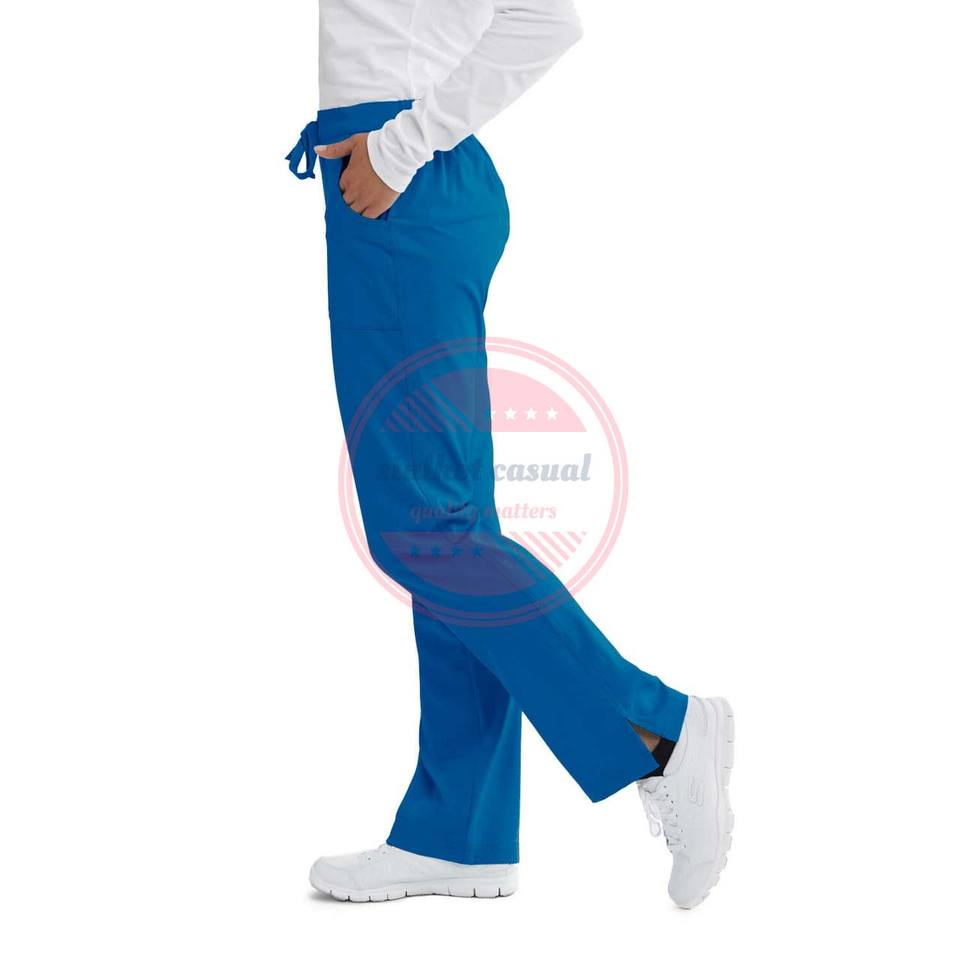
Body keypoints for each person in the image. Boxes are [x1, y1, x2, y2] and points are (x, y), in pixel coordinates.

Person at [286, 0, 734, 909]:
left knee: (429, 531)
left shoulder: (402, 153)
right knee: (450, 532)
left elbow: (546, 18)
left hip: (399, 183)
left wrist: (399, 150)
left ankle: (661, 731)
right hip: (398, 183)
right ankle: (460, 833)